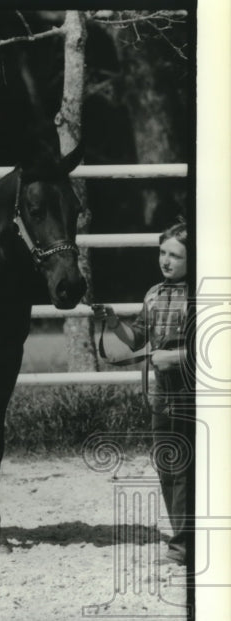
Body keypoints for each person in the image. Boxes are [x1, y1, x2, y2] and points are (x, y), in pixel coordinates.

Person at [93, 222, 193, 567]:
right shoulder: (154, 294)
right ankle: (182, 541)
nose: (166, 261)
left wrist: (176, 357)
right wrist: (114, 323)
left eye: (176, 256)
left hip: (193, 392)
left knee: (185, 468)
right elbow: (137, 338)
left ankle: (182, 547)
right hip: (162, 392)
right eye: (163, 252)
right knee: (167, 464)